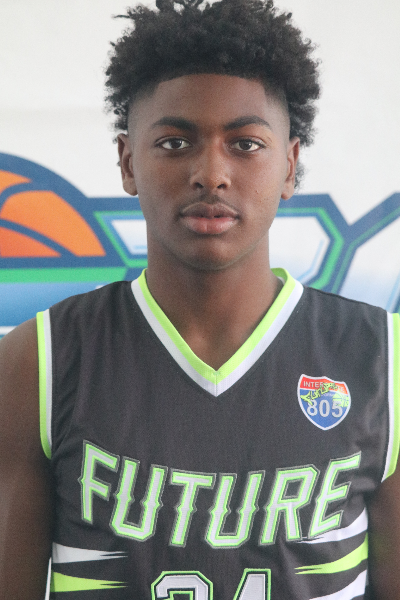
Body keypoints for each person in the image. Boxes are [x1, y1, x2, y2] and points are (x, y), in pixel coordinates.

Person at [0, 0, 399, 598]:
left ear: (290, 166)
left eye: (245, 144)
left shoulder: (382, 359)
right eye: (174, 142)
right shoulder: (40, 361)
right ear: (127, 161)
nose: (211, 173)